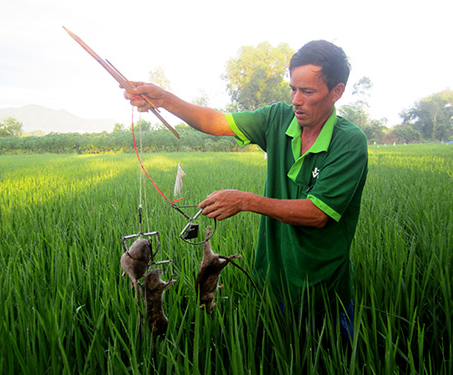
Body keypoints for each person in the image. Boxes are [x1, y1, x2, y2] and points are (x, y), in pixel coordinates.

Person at [125, 40, 368, 338]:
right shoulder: (278, 119)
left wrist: (245, 201)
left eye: (308, 92)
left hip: (321, 287)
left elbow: (318, 213)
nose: (296, 100)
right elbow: (215, 122)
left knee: (331, 357)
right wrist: (164, 98)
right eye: (292, 88)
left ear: (337, 91)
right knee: (279, 354)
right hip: (272, 278)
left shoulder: (348, 141)